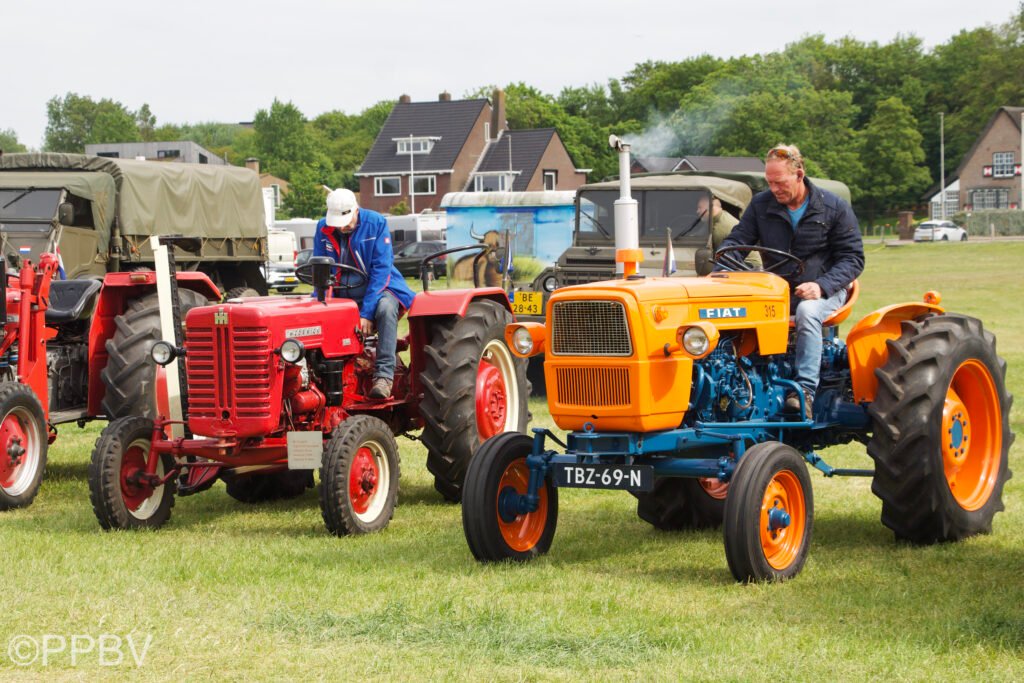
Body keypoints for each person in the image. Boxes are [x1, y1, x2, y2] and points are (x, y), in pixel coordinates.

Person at [719, 144, 864, 419]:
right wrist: (721, 267)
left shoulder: (833, 208)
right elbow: (738, 240)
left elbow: (853, 259)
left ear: (799, 175)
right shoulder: (762, 205)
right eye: (770, 183)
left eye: (780, 182)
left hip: (825, 289)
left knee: (808, 312)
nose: (774, 189)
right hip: (778, 291)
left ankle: (804, 392)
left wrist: (821, 285)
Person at [312, 189, 415, 399]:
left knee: (386, 308)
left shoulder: (375, 223)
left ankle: (384, 376)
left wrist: (367, 312)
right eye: (337, 223)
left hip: (381, 287)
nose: (342, 227)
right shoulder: (323, 228)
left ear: (356, 210)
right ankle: (324, 376)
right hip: (343, 290)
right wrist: (319, 301)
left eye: (346, 221)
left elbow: (381, 270)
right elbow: (320, 269)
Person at [699, 195, 761, 269]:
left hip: (747, 266)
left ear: (710, 207)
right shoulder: (719, 219)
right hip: (740, 262)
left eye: (700, 208)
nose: (697, 211)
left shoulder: (720, 228)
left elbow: (721, 257)